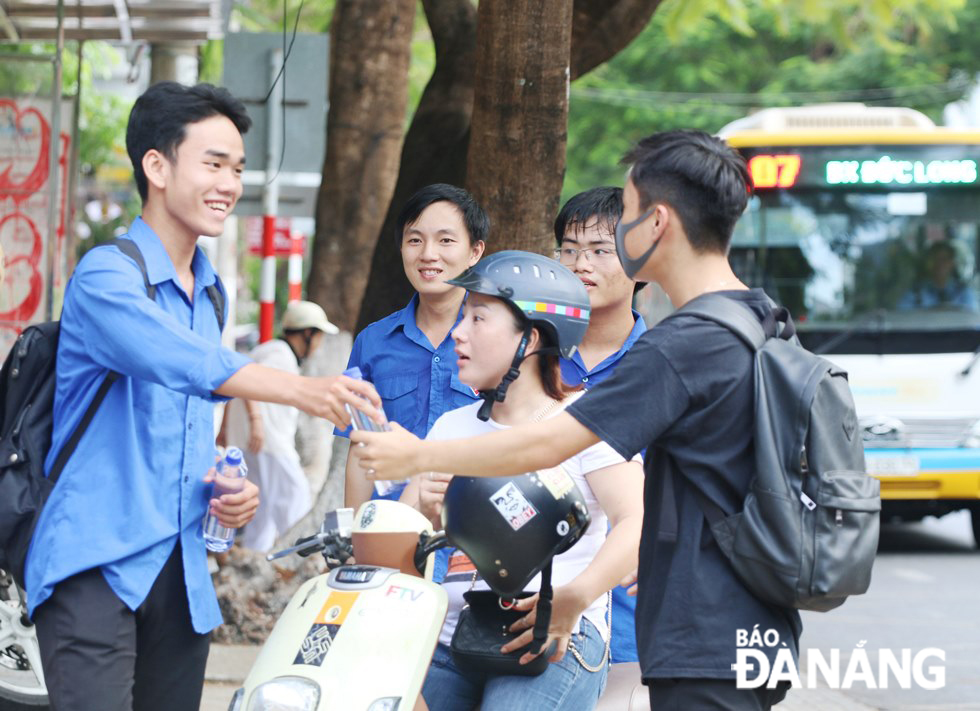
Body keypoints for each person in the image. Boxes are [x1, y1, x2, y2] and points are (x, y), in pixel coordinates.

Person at [353, 130, 802, 710]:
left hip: (698, 626)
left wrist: (417, 457)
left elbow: (544, 447)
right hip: (738, 617)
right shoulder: (761, 322)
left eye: (626, 218)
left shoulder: (677, 347)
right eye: (573, 247)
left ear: (657, 222)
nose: (600, 247)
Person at [25, 81, 381, 711]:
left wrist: (228, 490)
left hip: (185, 571)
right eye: (213, 163)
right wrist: (302, 389)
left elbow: (188, 423)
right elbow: (180, 361)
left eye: (238, 168)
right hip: (96, 564)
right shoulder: (107, 275)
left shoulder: (211, 292)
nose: (230, 183)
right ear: (156, 166)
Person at [397, 251, 643, 711]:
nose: (458, 333)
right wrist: (418, 512)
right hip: (453, 635)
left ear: (528, 340)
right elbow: (399, 555)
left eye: (478, 318)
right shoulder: (451, 426)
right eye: (461, 316)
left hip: (555, 629)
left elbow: (636, 520)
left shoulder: (584, 420)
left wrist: (577, 597)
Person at [339, 184, 488, 511]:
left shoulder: (496, 340)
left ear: (475, 251)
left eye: (446, 240)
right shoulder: (373, 342)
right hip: (390, 531)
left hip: (473, 531)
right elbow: (362, 446)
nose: (428, 254)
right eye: (415, 240)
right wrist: (355, 537)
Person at [554, 186, 647, 665]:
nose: (579, 264)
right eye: (568, 250)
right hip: (543, 603)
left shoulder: (663, 365)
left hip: (636, 610)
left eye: (598, 251)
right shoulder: (532, 362)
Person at [217, 300, 340, 552]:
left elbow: (235, 379)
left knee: (262, 511)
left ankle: (254, 559)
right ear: (308, 333)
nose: (319, 345)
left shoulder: (271, 349)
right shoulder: (280, 355)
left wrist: (226, 429)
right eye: (319, 336)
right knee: (297, 502)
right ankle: (299, 559)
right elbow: (246, 380)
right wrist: (257, 421)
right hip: (269, 442)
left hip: (253, 441)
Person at [897, 238, 977, 311]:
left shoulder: (963, 292)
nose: (939, 264)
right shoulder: (915, 293)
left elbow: (974, 321)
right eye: (935, 259)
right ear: (928, 263)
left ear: (952, 263)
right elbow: (902, 319)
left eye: (944, 259)